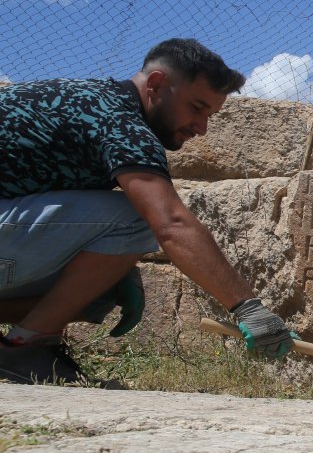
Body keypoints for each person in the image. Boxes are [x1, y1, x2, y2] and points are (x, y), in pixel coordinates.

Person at [1, 38, 295, 385]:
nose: (201, 128)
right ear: (155, 84)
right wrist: (248, 308)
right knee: (136, 216)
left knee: (101, 286)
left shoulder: (89, 103)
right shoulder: (121, 123)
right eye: (196, 107)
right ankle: (23, 349)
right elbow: (170, 222)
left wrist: (114, 272)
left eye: (210, 115)